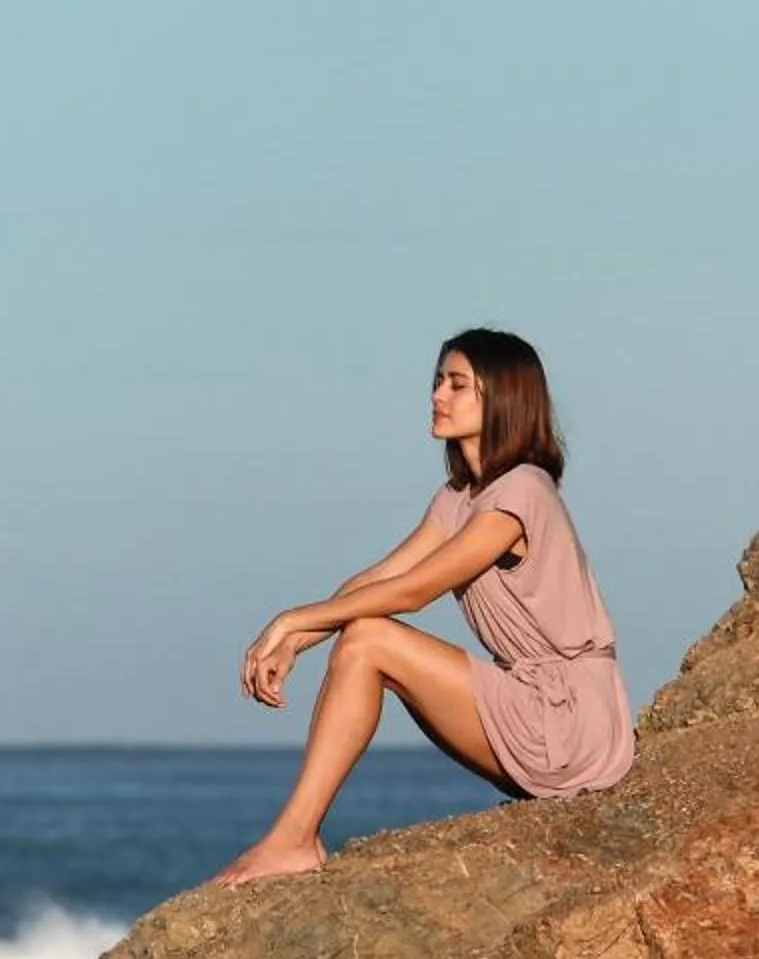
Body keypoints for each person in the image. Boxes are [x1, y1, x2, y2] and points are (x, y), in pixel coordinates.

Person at [208, 327, 634, 888]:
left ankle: (294, 839)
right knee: (363, 631)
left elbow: (414, 593)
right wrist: (296, 642)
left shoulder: (523, 491)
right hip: (530, 702)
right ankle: (294, 837)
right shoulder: (459, 499)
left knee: (369, 639)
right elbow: (384, 576)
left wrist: (292, 618)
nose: (437, 396)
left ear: (503, 397)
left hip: (570, 717)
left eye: (457, 385)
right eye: (438, 381)